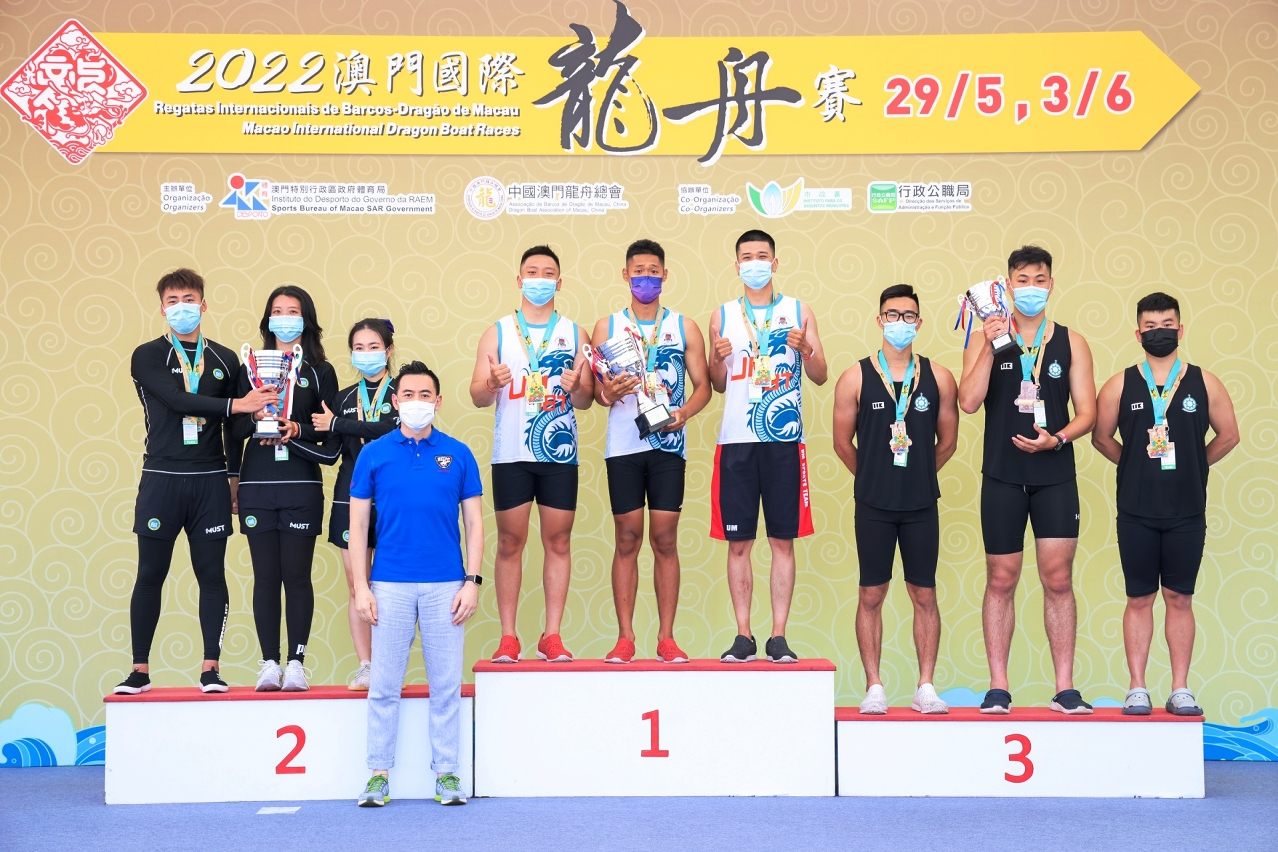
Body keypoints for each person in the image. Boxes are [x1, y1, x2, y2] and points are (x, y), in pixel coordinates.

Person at [115, 269, 276, 695]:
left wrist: (256, 422)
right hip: (162, 477)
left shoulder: (225, 359)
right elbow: (176, 399)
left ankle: (211, 669)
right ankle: (139, 670)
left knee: (211, 574)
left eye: (189, 299)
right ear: (162, 308)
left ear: (203, 305)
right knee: (150, 573)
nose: (181, 307)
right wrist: (238, 404)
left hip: (209, 480)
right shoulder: (147, 355)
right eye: (173, 301)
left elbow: (234, 429)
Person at [958, 245, 1097, 714]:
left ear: (1051, 285)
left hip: (1054, 475)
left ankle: (1064, 688)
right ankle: (998, 686)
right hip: (1002, 475)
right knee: (1001, 579)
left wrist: (1056, 439)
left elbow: (1088, 413)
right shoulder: (985, 337)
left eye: (1039, 280)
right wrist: (989, 342)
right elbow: (968, 402)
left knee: (1058, 578)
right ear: (1007, 285)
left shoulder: (1072, 342)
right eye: (1022, 280)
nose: (1031, 288)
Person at [1092, 292, 1238, 716]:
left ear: (1181, 329)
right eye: (1151, 327)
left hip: (1186, 512)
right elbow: (1101, 438)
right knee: (1139, 598)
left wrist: (1194, 464)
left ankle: (1180, 689)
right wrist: (1135, 465)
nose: (1160, 332)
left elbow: (1229, 435)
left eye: (1168, 325)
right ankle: (1137, 687)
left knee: (1179, 598)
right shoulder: (1118, 385)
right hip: (1136, 512)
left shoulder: (1205, 383)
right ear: (1138, 334)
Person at [350, 361, 483, 807]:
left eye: (425, 395)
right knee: (383, 686)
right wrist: (362, 587)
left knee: (445, 687)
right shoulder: (373, 454)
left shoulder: (458, 454)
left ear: (438, 401)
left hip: (447, 586)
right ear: (395, 401)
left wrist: (471, 581)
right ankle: (378, 775)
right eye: (408, 394)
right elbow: (358, 525)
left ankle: (447, 775)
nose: (416, 402)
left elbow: (475, 524)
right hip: (389, 585)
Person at [832, 285, 959, 714]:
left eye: (908, 316)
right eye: (892, 314)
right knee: (871, 594)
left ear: (919, 323)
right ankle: (874, 686)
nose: (899, 322)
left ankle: (926, 686)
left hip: (921, 504)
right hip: (873, 505)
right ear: (879, 320)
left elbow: (948, 442)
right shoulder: (854, 377)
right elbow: (842, 443)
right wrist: (876, 477)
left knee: (925, 595)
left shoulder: (940, 378)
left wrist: (915, 475)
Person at [708, 229, 828, 664]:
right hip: (736, 441)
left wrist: (807, 349)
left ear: (774, 263)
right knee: (738, 544)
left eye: (762, 256)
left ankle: (778, 635)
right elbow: (719, 384)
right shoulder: (722, 315)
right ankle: (744, 635)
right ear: (736, 264)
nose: (754, 263)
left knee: (782, 541)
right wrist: (716, 358)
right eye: (747, 257)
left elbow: (820, 375)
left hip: (783, 441)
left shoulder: (799, 311)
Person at [589, 239, 712, 664]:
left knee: (664, 538)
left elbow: (704, 386)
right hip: (623, 446)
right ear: (626, 275)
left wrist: (685, 413)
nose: (646, 278)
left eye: (653, 271)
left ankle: (666, 638)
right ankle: (625, 637)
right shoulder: (606, 327)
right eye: (638, 271)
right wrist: (609, 393)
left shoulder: (684, 326)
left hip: (668, 444)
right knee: (627, 537)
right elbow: (598, 393)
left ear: (665, 275)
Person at [469, 246, 593, 663]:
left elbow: (586, 401)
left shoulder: (576, 334)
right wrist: (491, 382)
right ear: (520, 280)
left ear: (559, 282)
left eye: (548, 273)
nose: (540, 279)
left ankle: (551, 635)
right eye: (532, 272)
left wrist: (577, 386)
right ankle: (509, 637)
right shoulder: (498, 333)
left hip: (559, 453)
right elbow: (477, 396)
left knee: (558, 540)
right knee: (510, 541)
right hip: (511, 454)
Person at [233, 286, 339, 692]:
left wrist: (296, 428)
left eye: (292, 311)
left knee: (296, 577)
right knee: (265, 577)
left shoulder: (320, 371)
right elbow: (234, 428)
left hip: (301, 486)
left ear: (305, 319)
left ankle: (296, 663)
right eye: (277, 311)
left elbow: (328, 432)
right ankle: (269, 664)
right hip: (257, 485)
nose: (284, 318)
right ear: (268, 320)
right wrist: (253, 414)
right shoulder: (249, 368)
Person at [312, 318, 399, 690]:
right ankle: (367, 665)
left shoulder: (402, 391)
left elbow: (392, 431)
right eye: (359, 348)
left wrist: (338, 425)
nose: (366, 354)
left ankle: (388, 664)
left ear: (388, 350)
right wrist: (292, 433)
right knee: (357, 585)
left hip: (395, 497)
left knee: (391, 587)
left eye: (373, 347)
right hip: (349, 497)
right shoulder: (344, 398)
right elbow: (330, 453)